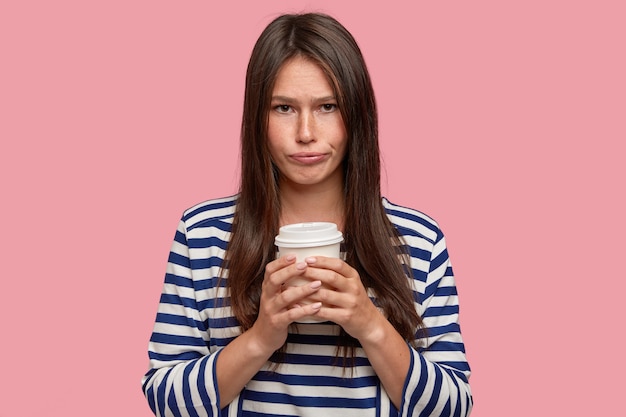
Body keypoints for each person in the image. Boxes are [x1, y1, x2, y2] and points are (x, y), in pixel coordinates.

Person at [141, 12, 472, 417]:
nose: (305, 132)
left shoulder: (418, 240)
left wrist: (370, 325)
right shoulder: (203, 234)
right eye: (283, 108)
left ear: (357, 116)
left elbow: (452, 408)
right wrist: (262, 336)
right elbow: (165, 399)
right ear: (256, 118)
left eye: (327, 106)